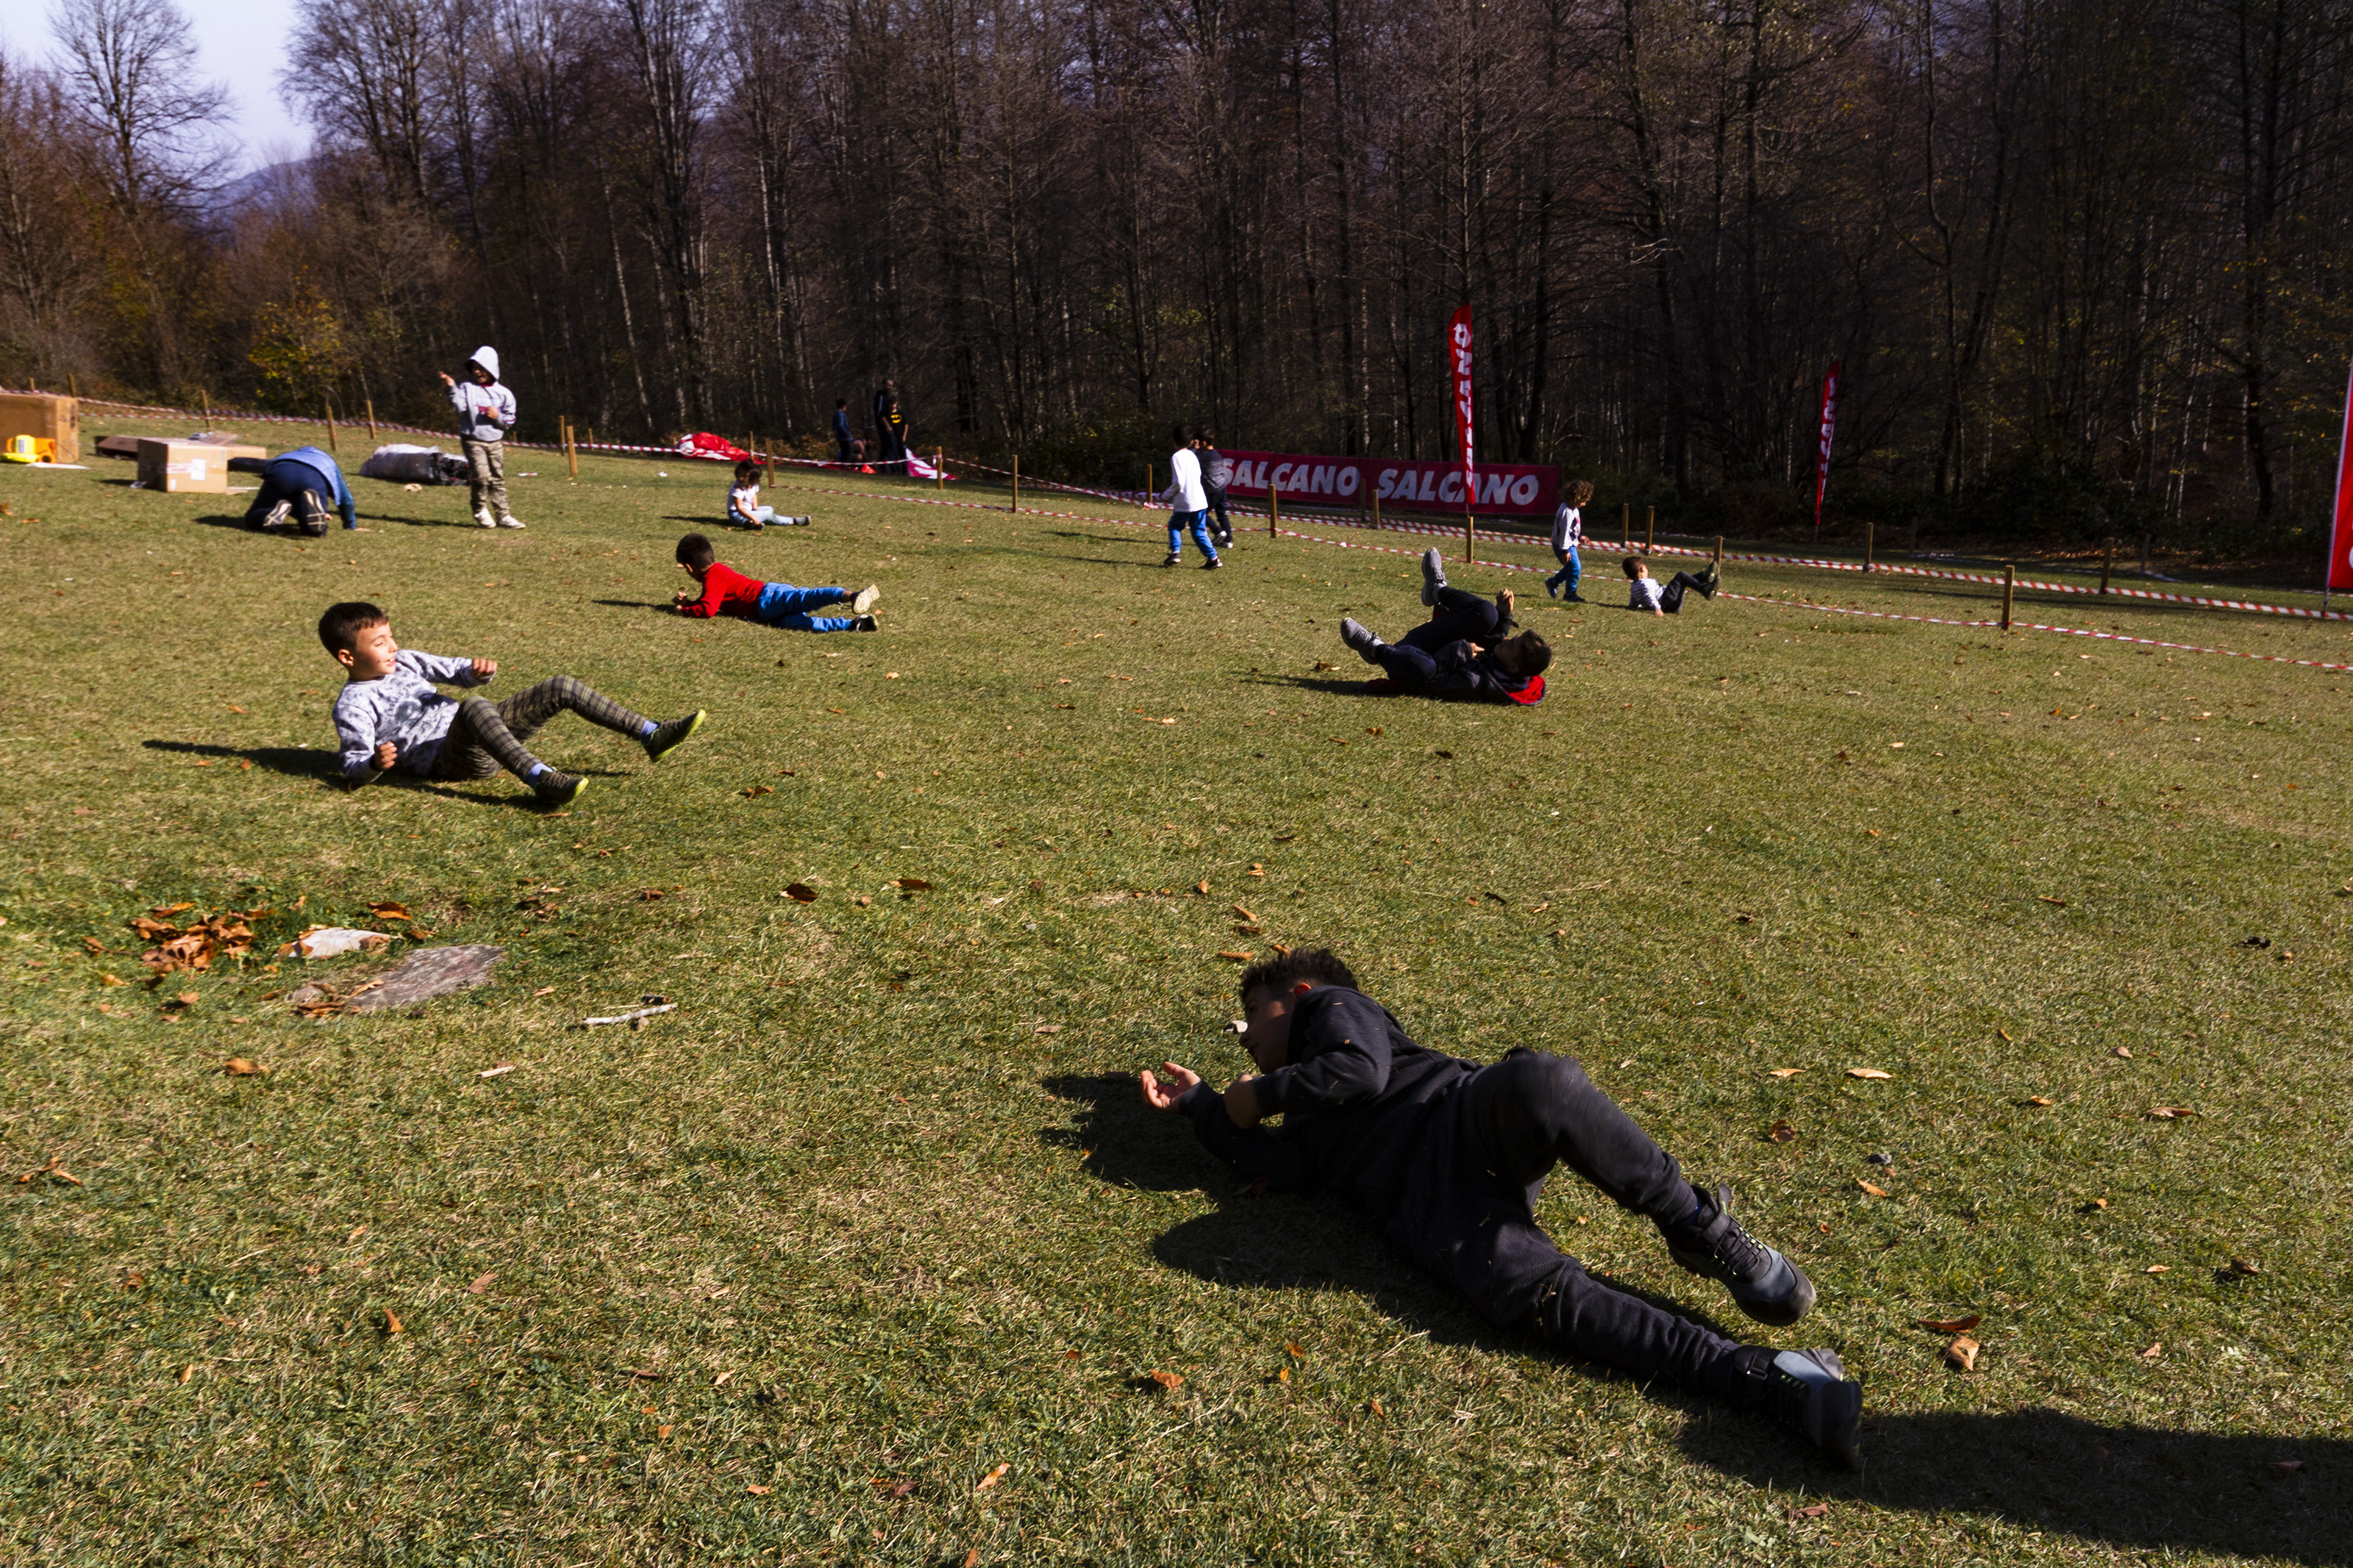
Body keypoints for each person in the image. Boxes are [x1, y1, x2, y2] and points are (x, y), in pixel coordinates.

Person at [1138, 948, 1863, 1469]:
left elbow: (1359, 1070)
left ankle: (1697, 1225)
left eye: (1251, 1016)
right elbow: (1281, 1167)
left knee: (1540, 1084)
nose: (1245, 1037)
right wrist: (1204, 1106)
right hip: (1432, 1209)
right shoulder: (1304, 1115)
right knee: (1534, 1295)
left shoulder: (1333, 1011)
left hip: (1458, 1117)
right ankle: (1768, 1378)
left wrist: (1257, 1095)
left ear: (1296, 993)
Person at [320, 601, 704, 808]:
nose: (393, 647)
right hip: (450, 760)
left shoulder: (405, 661)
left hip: (486, 735)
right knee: (474, 707)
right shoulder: (353, 704)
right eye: (380, 643)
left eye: (391, 636)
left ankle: (651, 733)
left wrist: (476, 671)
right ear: (348, 657)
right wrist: (374, 765)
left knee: (559, 686)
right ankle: (541, 779)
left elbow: (455, 671)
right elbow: (351, 766)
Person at [1338, 548, 1547, 703]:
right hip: (1436, 641)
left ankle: (1374, 649)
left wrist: (1460, 652)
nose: (1506, 639)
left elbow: (1431, 683)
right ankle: (1436, 589)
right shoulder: (1506, 664)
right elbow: (1494, 645)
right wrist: (1504, 615)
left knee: (1425, 667)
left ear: (1513, 667)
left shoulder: (1474, 683)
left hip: (1414, 659)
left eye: (1511, 645)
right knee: (1488, 613)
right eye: (1513, 638)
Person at [673, 533, 879, 631]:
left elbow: (709, 609)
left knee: (808, 598)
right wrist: (690, 603)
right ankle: (856, 624)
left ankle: (853, 595)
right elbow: (710, 601)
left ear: (689, 568)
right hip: (766, 610)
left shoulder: (713, 578)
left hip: (769, 599)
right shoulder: (716, 574)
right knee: (800, 624)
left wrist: (685, 611)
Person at [438, 346, 521, 529]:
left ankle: (504, 516)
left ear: (491, 368)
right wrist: (451, 388)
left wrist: (497, 417)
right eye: (474, 368)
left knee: (497, 479)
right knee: (482, 477)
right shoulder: (467, 388)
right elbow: (457, 408)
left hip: (495, 442)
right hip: (473, 440)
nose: (477, 372)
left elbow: (509, 421)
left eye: (481, 368)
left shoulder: (505, 394)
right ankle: (480, 510)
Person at [245, 445, 357, 535]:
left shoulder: (288, 455)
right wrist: (350, 525)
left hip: (282, 472)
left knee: (254, 514)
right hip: (314, 479)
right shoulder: (329, 462)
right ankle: (313, 523)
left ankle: (268, 513)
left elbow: (258, 465)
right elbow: (346, 499)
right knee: (311, 522)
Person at [1160, 423, 1219, 570]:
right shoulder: (1193, 455)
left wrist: (1166, 495)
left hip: (1186, 501)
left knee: (1175, 526)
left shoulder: (1176, 457)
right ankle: (1214, 558)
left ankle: (1175, 552)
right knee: (1199, 531)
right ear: (1192, 441)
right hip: (1199, 500)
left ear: (1174, 440)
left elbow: (1179, 482)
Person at [726, 461, 810, 529]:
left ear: (753, 479)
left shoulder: (754, 485)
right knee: (768, 515)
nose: (740, 478)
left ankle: (752, 524)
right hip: (737, 515)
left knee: (769, 508)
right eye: (739, 474)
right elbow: (739, 508)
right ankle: (793, 521)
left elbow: (754, 495)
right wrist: (753, 518)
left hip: (749, 511)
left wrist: (755, 508)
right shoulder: (738, 488)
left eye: (745, 476)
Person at [1625, 555, 1719, 615]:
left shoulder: (1634, 587)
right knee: (1681, 576)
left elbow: (1634, 600)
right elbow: (1649, 595)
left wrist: (1632, 607)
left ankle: (1705, 577)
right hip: (1668, 602)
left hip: (1670, 602)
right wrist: (1657, 608)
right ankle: (1704, 588)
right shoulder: (1646, 583)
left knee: (1684, 580)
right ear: (1642, 569)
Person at [1547, 479, 1592, 601]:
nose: (1584, 504)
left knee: (1571, 568)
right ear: (1576, 497)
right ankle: (1570, 594)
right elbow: (1564, 533)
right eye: (1583, 501)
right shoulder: (1567, 512)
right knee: (1575, 568)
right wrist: (1564, 551)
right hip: (1564, 545)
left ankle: (1553, 582)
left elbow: (1571, 529)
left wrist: (1579, 536)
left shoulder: (1573, 509)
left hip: (1568, 544)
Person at [1197, 430, 1235, 547]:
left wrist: (1194, 449)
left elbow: (1191, 461)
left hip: (1212, 490)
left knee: (1199, 513)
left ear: (1203, 443)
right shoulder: (1217, 454)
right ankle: (1228, 540)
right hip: (1222, 488)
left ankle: (1218, 532)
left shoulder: (1202, 456)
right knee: (1221, 514)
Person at [832, 400, 864, 466]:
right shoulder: (841, 414)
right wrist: (847, 434)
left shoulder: (836, 414)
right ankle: (846, 466)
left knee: (844, 453)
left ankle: (842, 466)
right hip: (844, 438)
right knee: (848, 453)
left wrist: (835, 434)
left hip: (839, 437)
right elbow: (841, 425)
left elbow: (834, 426)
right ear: (843, 406)